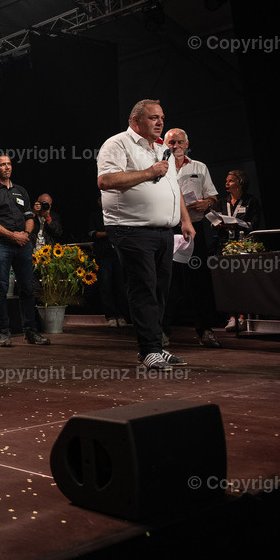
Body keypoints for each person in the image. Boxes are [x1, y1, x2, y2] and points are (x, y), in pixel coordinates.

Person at [97, 99, 195, 370]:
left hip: (165, 232)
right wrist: (149, 172)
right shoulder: (117, 144)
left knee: (161, 290)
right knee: (143, 288)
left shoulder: (164, 148)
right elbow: (105, 181)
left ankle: (155, 347)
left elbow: (174, 189)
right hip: (130, 229)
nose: (160, 122)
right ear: (135, 121)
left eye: (161, 117)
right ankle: (149, 349)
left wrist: (184, 220)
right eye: (153, 118)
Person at [0, 155, 50, 347]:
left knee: (28, 288)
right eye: (2, 164)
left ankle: (31, 332)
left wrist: (26, 234)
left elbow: (29, 216)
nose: (7, 167)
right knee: (0, 289)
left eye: (9, 164)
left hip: (22, 244)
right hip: (1, 245)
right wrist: (12, 236)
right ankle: (4, 332)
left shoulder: (20, 191)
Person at [161, 128, 221, 349]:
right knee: (168, 282)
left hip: (195, 229)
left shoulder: (199, 167)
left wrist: (208, 203)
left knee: (200, 282)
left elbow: (213, 197)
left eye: (178, 142)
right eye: (170, 142)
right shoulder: (160, 167)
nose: (174, 146)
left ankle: (205, 330)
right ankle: (162, 331)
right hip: (169, 230)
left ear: (187, 144)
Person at [213, 169, 261, 333]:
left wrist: (238, 223)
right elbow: (214, 220)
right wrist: (218, 224)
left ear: (240, 183)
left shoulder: (250, 201)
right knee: (227, 281)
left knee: (244, 281)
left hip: (244, 245)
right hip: (224, 244)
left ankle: (243, 316)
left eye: (231, 181)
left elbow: (254, 224)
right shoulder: (221, 201)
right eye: (226, 180)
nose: (226, 183)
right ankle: (231, 317)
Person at [87, 198, 128, 327]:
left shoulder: (118, 215)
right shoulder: (94, 216)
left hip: (118, 254)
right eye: (101, 200)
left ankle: (122, 316)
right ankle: (110, 316)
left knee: (120, 286)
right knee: (106, 286)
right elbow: (92, 233)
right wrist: (108, 234)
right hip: (103, 255)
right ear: (98, 202)